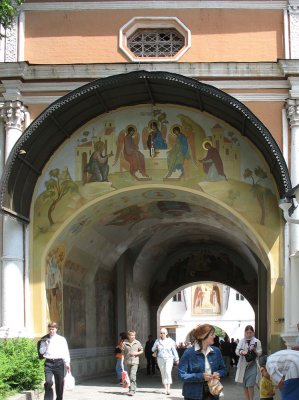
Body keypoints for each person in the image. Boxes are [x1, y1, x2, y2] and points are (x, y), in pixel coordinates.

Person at [178, 324, 226, 400]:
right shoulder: (189, 353)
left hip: (213, 391)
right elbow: (181, 375)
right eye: (212, 334)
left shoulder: (216, 351)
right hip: (193, 394)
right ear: (203, 336)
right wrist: (201, 376)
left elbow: (223, 369)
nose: (214, 336)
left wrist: (218, 373)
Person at [39, 321, 71, 400]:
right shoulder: (44, 339)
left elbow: (65, 351)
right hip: (48, 363)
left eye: (53, 329)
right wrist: (46, 346)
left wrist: (67, 363)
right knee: (48, 382)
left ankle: (59, 398)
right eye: (50, 329)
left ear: (56, 329)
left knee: (59, 384)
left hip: (59, 363)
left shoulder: (61, 339)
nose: (51, 331)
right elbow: (41, 352)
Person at [235, 325, 262, 400]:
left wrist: (255, 351)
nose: (249, 334)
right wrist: (241, 352)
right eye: (247, 332)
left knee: (250, 384)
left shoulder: (257, 341)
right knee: (244, 385)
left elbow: (260, 353)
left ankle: (251, 399)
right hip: (243, 365)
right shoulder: (241, 341)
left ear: (253, 333)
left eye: (250, 332)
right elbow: (236, 351)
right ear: (245, 333)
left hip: (253, 365)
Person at [152, 327, 179, 395]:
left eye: (164, 333)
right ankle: (165, 388)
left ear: (166, 333)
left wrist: (177, 359)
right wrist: (156, 346)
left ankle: (168, 388)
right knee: (163, 372)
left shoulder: (171, 341)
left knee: (167, 371)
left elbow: (174, 350)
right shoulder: (157, 341)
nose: (162, 334)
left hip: (169, 358)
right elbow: (152, 350)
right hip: (160, 358)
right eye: (161, 333)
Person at [121, 329, 143, 396]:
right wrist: (121, 361)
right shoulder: (125, 343)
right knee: (129, 376)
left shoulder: (137, 343)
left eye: (134, 335)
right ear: (128, 336)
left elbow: (142, 350)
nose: (133, 336)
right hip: (127, 362)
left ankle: (132, 390)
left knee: (132, 375)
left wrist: (137, 353)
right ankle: (132, 387)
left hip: (135, 362)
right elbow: (122, 353)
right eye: (132, 335)